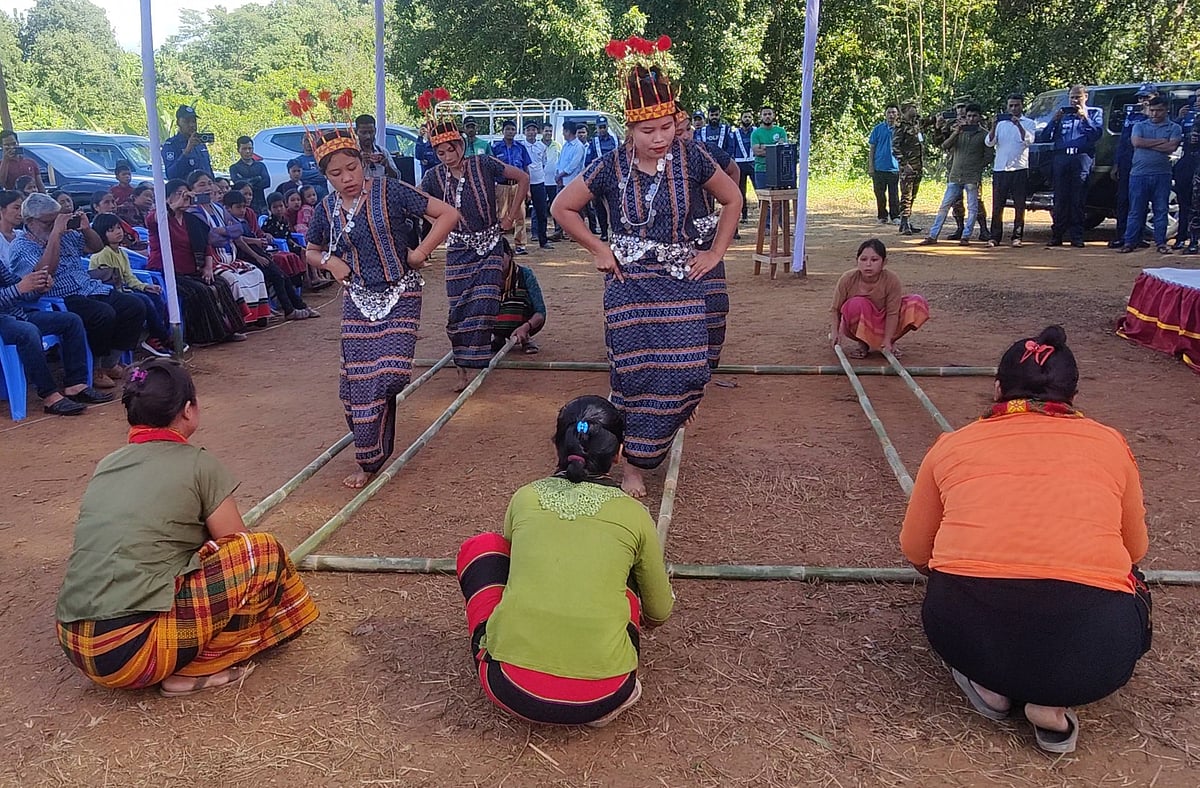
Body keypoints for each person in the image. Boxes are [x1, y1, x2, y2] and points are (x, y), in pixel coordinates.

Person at [900, 325, 1151, 755]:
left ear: (998, 387)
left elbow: (915, 550)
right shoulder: (1110, 444)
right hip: (1095, 653)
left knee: (957, 586)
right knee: (1133, 583)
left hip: (966, 627)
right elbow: (1135, 550)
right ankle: (1051, 705)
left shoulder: (952, 446)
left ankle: (989, 686)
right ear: (1073, 393)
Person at [55, 359, 320, 695]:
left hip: (75, 644)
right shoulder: (199, 464)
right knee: (261, 553)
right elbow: (236, 544)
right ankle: (191, 671)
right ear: (188, 410)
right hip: (130, 654)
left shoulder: (108, 463)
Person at [551, 34, 742, 498]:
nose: (659, 138)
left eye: (665, 127)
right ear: (628, 129)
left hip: (680, 280)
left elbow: (733, 198)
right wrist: (598, 249)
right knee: (633, 377)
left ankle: (666, 425)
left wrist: (715, 253)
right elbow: (562, 208)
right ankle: (634, 466)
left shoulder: (692, 155)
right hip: (628, 285)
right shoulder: (608, 165)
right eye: (647, 130)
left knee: (688, 371)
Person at [455, 395, 674, 726]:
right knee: (623, 575)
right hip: (606, 693)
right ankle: (593, 686)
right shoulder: (634, 514)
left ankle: (515, 649)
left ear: (556, 444)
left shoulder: (525, 497)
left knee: (485, 548)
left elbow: (515, 571)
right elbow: (659, 611)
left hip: (509, 687)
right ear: (618, 454)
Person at [304, 121, 459, 488]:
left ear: (363, 162)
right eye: (336, 173)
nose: (347, 178)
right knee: (357, 384)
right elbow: (310, 250)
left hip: (401, 291)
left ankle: (374, 441)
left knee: (389, 374)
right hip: (357, 299)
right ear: (326, 176)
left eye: (352, 168)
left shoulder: (390, 190)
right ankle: (368, 458)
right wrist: (331, 262)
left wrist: (421, 251)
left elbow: (448, 215)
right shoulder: (325, 210)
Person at [421, 115, 529, 392]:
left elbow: (522, 177)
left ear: (461, 144)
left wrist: (511, 216)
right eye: (440, 152)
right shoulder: (433, 177)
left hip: (490, 243)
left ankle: (478, 360)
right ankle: (462, 369)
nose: (447, 156)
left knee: (484, 302)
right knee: (457, 309)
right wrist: (438, 227)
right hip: (458, 249)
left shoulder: (483, 163)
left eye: (451, 149)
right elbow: (418, 204)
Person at [10, 193, 147, 388]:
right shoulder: (22, 245)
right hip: (60, 297)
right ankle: (96, 368)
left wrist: (85, 228)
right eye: (49, 222)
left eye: (57, 219)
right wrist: (55, 235)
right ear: (30, 221)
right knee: (103, 315)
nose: (55, 224)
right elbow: (45, 271)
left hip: (89, 288)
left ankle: (110, 362)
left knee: (134, 305)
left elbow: (96, 247)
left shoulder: (65, 233)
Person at [0, 199, 112, 415]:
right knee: (28, 332)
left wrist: (36, 285)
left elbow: (13, 282)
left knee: (70, 320)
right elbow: (16, 289)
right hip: (6, 319)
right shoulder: (22, 245)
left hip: (15, 312)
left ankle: (76, 384)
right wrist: (20, 289)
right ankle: (49, 395)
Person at [146, 178, 247, 345]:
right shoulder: (157, 217)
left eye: (186, 195)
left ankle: (229, 330)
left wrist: (208, 267)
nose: (184, 198)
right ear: (167, 197)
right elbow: (159, 218)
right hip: (168, 272)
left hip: (193, 269)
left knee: (220, 284)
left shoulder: (191, 219)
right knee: (200, 290)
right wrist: (177, 203)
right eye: (178, 194)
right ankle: (203, 337)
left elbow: (205, 244)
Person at [187, 171, 272, 328]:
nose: (207, 187)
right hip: (213, 260)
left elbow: (238, 229)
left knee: (255, 272)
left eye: (209, 183)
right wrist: (226, 231)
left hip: (230, 258)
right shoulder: (192, 212)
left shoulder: (218, 208)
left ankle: (258, 317)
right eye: (201, 184)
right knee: (232, 279)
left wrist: (222, 231)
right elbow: (211, 238)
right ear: (192, 189)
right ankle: (240, 319)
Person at [89, 213, 176, 357]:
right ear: (101, 234)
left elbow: (129, 277)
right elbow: (112, 282)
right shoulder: (102, 254)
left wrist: (145, 286)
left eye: (118, 228)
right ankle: (164, 337)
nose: (118, 232)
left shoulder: (121, 252)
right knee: (145, 300)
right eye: (111, 230)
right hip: (111, 293)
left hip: (125, 289)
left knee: (155, 296)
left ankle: (152, 338)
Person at [221, 190, 316, 320]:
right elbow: (240, 241)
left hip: (258, 253)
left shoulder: (242, 219)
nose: (242, 210)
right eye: (238, 207)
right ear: (227, 208)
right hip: (248, 256)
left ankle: (300, 306)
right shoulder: (229, 222)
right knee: (278, 277)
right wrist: (257, 256)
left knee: (283, 276)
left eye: (244, 206)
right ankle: (289, 310)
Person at [830, 238, 928, 359]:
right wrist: (835, 333)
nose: (868, 264)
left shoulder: (891, 280)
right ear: (857, 261)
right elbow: (835, 309)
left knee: (917, 303)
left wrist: (888, 340)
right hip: (857, 322)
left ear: (884, 262)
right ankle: (863, 343)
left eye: (874, 260)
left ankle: (888, 343)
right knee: (855, 304)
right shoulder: (847, 279)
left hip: (885, 322)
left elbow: (893, 313)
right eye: (863, 259)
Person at [1039, 85, 1103, 248]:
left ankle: (1077, 236)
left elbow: (1096, 135)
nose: (1075, 101)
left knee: (1078, 198)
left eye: (1078, 97)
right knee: (1060, 199)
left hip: (1081, 157)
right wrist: (1054, 120)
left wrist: (1084, 118)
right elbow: (1046, 136)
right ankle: (1057, 235)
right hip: (1061, 158)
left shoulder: (1094, 113)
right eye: (1072, 97)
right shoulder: (1063, 114)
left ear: (1085, 97)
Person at [1118, 95, 1181, 255]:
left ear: (1166, 110)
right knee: (1136, 210)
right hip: (1139, 174)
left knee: (1161, 209)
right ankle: (1130, 241)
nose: (1154, 114)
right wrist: (1161, 142)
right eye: (1152, 110)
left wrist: (1148, 144)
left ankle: (1161, 242)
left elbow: (1171, 147)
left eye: (1159, 110)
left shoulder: (1174, 127)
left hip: (1162, 174)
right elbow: (1136, 142)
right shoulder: (1139, 125)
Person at [920, 104, 988, 246]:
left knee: (973, 207)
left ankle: (966, 236)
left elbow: (989, 157)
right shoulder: (958, 131)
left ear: (979, 117)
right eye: (968, 116)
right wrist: (956, 132)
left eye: (974, 116)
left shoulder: (984, 134)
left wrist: (976, 168)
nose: (970, 119)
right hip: (955, 174)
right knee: (945, 206)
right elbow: (944, 145)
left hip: (971, 176)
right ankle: (933, 235)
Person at [1109, 84, 1157, 249]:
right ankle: (1121, 235)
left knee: (1141, 200)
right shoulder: (1131, 116)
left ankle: (1138, 235)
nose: (1142, 101)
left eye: (1146, 97)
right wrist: (1116, 164)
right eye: (1140, 97)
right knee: (1123, 200)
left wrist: (1148, 113)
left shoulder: (1156, 116)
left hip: (1144, 163)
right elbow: (1123, 141)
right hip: (1126, 161)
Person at [985, 94, 1036, 247]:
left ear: (1022, 106)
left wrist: (1018, 125)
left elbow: (1028, 141)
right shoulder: (1001, 124)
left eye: (1016, 105)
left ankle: (1017, 236)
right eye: (1011, 106)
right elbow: (989, 142)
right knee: (997, 205)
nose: (1013, 108)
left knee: (1019, 205)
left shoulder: (1029, 123)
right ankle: (995, 236)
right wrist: (993, 125)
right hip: (1000, 169)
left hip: (1019, 169)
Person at [492, 238, 545, 353]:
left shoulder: (525, 275)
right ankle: (498, 337)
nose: (497, 261)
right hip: (494, 324)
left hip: (524, 321)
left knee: (520, 296)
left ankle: (525, 337)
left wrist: (526, 327)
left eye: (500, 256)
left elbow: (540, 313)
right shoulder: (484, 277)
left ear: (510, 255)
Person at [491, 120, 533, 255]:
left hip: (518, 186)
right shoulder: (496, 148)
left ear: (516, 131)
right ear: (503, 131)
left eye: (512, 129)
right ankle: (499, 244)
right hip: (502, 186)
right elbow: (490, 169)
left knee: (520, 215)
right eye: (507, 129)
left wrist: (527, 189)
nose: (510, 132)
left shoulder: (520, 148)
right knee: (500, 216)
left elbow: (526, 169)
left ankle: (520, 244)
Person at [751, 106, 787, 229]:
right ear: (761, 116)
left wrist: (764, 146)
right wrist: (773, 148)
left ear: (774, 116)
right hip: (761, 169)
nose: (767, 116)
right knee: (763, 199)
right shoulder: (756, 133)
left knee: (781, 198)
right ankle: (765, 226)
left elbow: (782, 150)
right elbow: (756, 151)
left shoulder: (781, 131)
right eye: (765, 114)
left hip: (777, 170)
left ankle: (783, 225)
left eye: (769, 114)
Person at [893, 102, 925, 236]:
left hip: (918, 166)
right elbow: (895, 147)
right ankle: (904, 221)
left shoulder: (916, 124)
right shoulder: (901, 126)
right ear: (906, 110)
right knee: (906, 195)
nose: (915, 110)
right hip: (908, 167)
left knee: (913, 195)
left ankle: (906, 221)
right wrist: (904, 164)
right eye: (913, 107)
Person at [586, 117, 619, 242]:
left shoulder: (615, 139)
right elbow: (588, 162)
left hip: (615, 177)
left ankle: (616, 231)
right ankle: (604, 232)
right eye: (600, 127)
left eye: (604, 127)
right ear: (596, 128)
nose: (602, 129)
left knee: (615, 206)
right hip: (600, 177)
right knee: (599, 207)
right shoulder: (593, 142)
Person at [520, 121, 552, 250]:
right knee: (521, 213)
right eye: (528, 130)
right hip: (524, 183)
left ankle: (543, 240)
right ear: (524, 132)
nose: (531, 132)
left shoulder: (542, 146)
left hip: (539, 182)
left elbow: (543, 162)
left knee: (541, 212)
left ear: (537, 132)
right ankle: (521, 243)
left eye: (533, 130)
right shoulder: (521, 146)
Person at [868, 105, 901, 224]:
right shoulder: (878, 129)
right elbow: (872, 148)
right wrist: (871, 166)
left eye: (893, 113)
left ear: (897, 115)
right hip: (879, 167)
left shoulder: (900, 129)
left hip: (894, 167)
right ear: (885, 114)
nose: (891, 115)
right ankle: (882, 216)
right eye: (889, 112)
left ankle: (895, 216)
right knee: (879, 194)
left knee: (894, 194)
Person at [1174, 96, 1199, 250]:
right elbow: (1174, 135)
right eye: (1196, 97)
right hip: (1187, 161)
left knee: (1197, 204)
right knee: (1184, 203)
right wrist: (1179, 118)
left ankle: (1195, 241)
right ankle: (1181, 237)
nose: (1198, 100)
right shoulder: (1188, 115)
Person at [162, 105, 213, 181]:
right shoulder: (171, 144)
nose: (192, 125)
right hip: (186, 190)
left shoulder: (201, 144)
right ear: (178, 123)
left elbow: (208, 169)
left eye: (194, 121)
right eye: (187, 121)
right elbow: (171, 174)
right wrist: (187, 151)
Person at [229, 136, 272, 213]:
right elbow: (239, 185)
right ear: (238, 150)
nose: (248, 151)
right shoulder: (234, 168)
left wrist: (246, 180)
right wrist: (257, 178)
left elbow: (267, 182)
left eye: (250, 148)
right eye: (244, 149)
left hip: (260, 205)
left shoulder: (260, 166)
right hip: (243, 206)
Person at [355, 114, 400, 181]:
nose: (368, 136)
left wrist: (387, 166)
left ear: (375, 131)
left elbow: (396, 178)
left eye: (371, 132)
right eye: (363, 133)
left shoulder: (383, 151)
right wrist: (359, 163)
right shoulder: (352, 153)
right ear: (356, 132)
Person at [731, 110, 755, 224]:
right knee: (741, 191)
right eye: (745, 117)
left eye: (749, 117)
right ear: (741, 119)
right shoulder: (735, 133)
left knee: (759, 189)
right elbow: (732, 148)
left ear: (752, 119)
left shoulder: (756, 131)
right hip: (740, 163)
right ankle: (744, 215)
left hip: (753, 163)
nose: (747, 119)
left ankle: (765, 216)